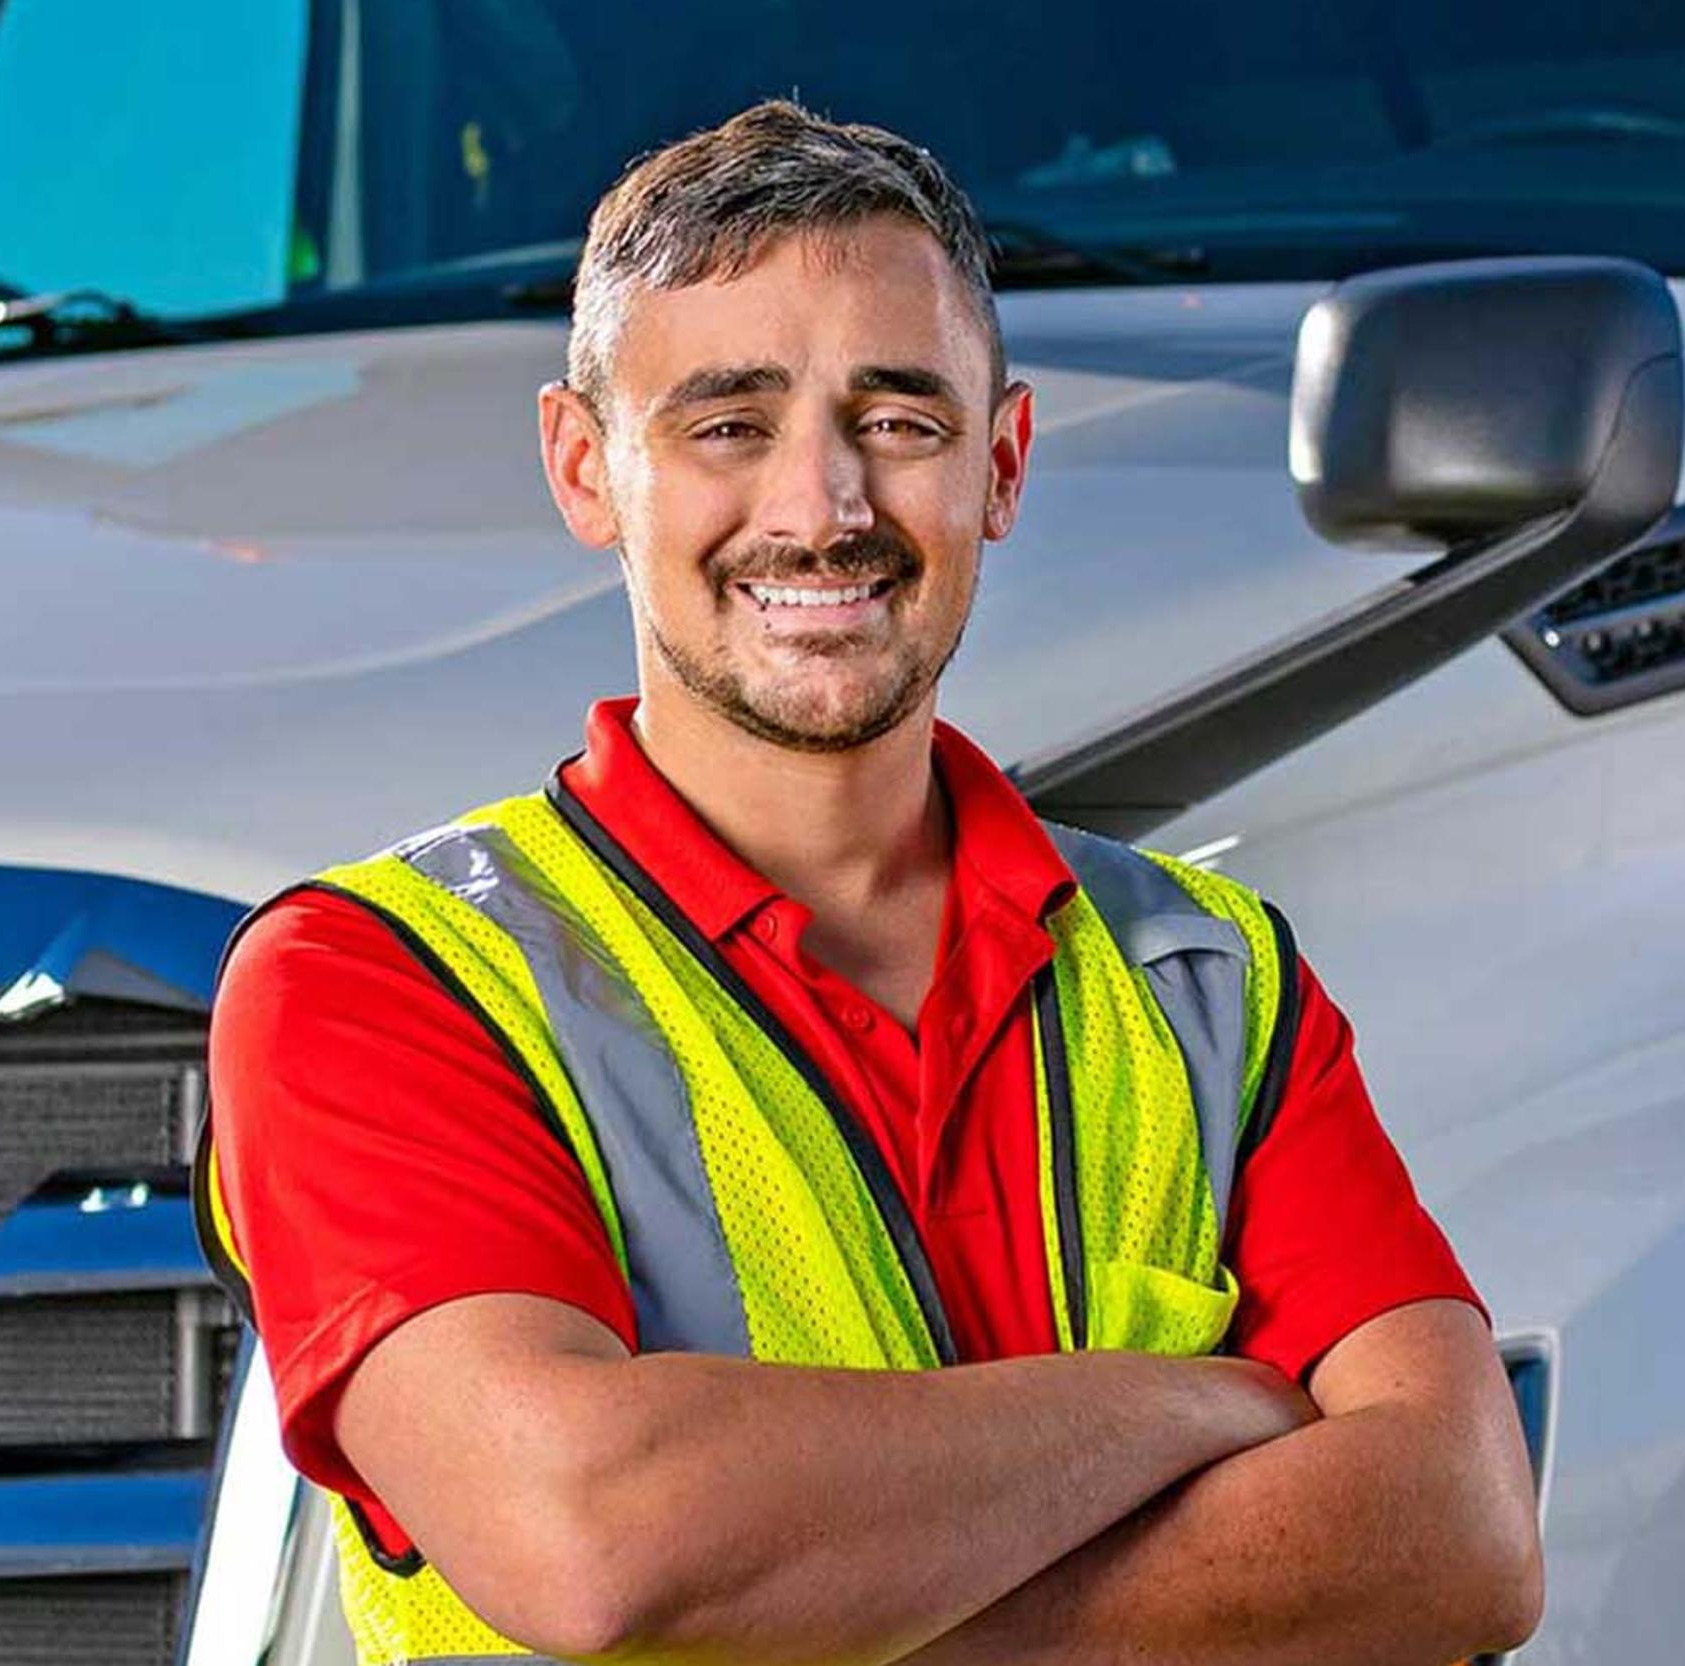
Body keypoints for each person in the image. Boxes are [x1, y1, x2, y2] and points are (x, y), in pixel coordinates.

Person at [201, 100, 1543, 1666]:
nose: (822, 508)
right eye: (728, 425)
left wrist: (803, 1603)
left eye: (899, 421)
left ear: (1003, 462)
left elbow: (1461, 1528)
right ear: (585, 467)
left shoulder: (1208, 981)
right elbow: (593, 1540)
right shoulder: (381, 983)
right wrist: (1196, 1403)